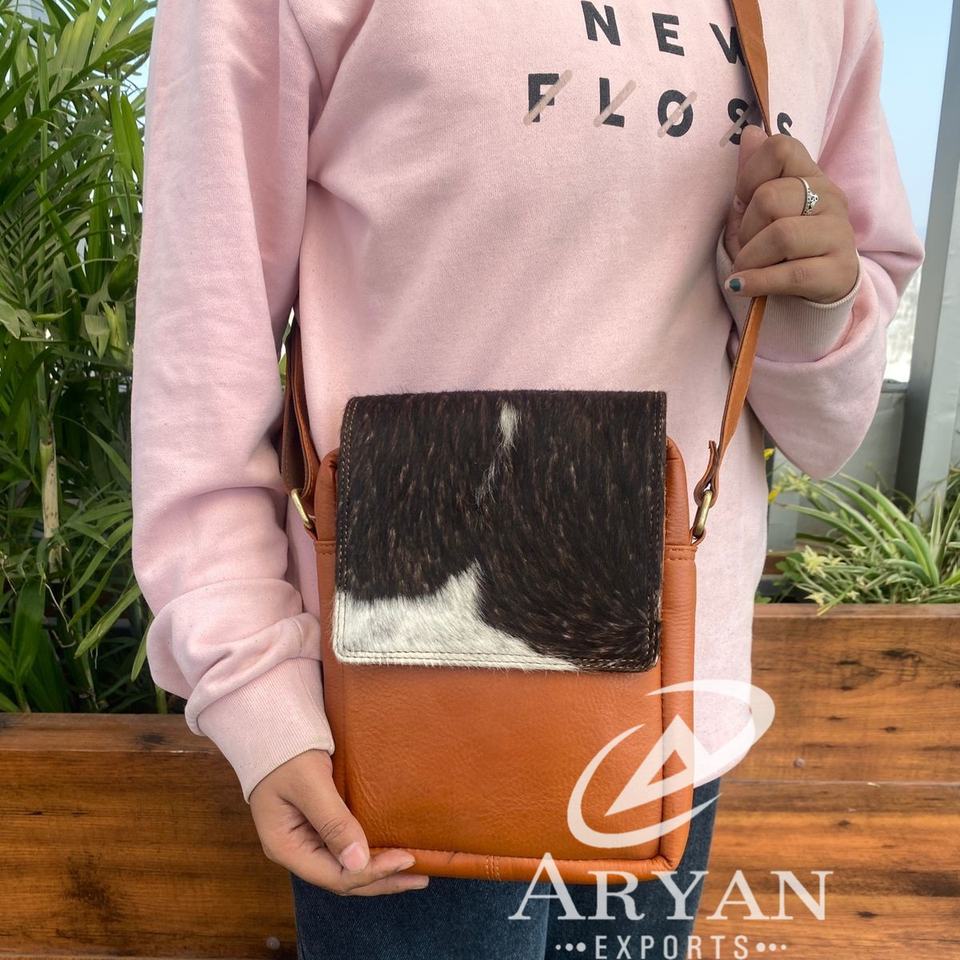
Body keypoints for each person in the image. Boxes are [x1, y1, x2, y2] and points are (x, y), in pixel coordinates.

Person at [130, 1, 924, 957]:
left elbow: (826, 429)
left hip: (671, 720)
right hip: (395, 702)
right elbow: (202, 354)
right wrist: (252, 686)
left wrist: (817, 294)